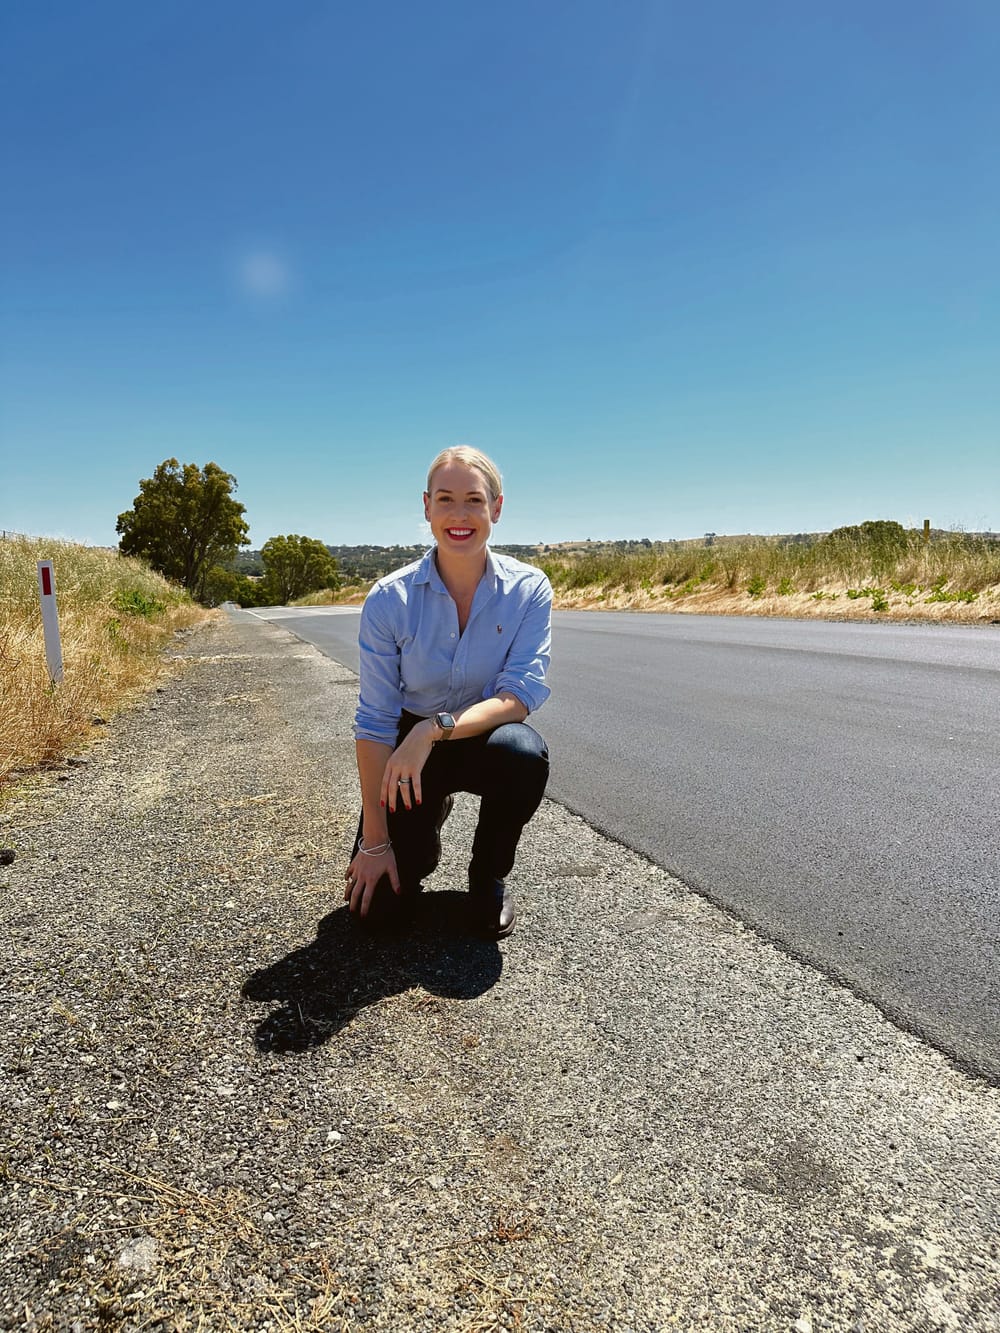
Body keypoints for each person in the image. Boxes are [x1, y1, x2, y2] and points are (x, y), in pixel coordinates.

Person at [344, 446, 552, 938]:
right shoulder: (388, 599)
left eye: (474, 501)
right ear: (426, 507)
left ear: (496, 508)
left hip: (478, 737)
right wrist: (376, 843)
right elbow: (374, 722)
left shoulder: (528, 589)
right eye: (445, 499)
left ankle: (486, 878)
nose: (460, 515)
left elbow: (518, 695)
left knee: (523, 753)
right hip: (406, 758)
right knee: (376, 917)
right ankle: (423, 820)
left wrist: (433, 730)